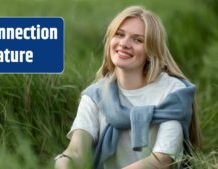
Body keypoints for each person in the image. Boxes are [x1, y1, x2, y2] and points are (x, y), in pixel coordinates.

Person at [55, 5, 201, 169]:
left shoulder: (173, 92)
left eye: (138, 40)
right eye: (119, 34)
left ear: (151, 50)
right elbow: (76, 151)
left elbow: (161, 160)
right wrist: (64, 163)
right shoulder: (95, 96)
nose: (124, 43)